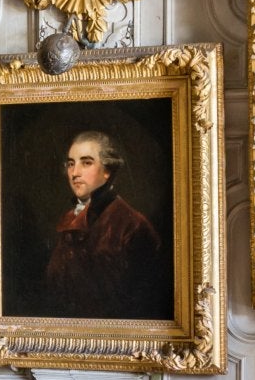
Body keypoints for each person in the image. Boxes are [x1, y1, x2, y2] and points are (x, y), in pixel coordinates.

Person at [39, 130, 167, 319]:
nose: (75, 173)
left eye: (87, 163)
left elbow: (139, 298)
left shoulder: (132, 224)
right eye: (71, 164)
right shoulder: (69, 219)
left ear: (107, 171)